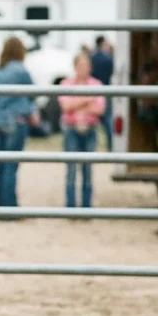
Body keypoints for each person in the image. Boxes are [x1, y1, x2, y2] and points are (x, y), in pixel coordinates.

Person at [0, 36, 39, 210]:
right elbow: (33, 92)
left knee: (1, 165)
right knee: (12, 166)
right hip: (16, 121)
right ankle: (10, 207)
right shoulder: (21, 71)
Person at [58, 53, 106, 209]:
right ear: (75, 67)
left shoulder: (96, 84)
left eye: (85, 66)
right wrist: (88, 99)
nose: (83, 69)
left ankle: (86, 207)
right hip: (71, 129)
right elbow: (65, 106)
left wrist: (76, 101)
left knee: (87, 170)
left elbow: (99, 109)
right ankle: (71, 207)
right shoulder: (67, 84)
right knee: (71, 170)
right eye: (80, 66)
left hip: (90, 129)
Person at [91, 35, 115, 149]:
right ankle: (110, 146)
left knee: (91, 119)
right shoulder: (108, 58)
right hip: (106, 90)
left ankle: (92, 145)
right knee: (108, 119)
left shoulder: (92, 57)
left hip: (92, 91)